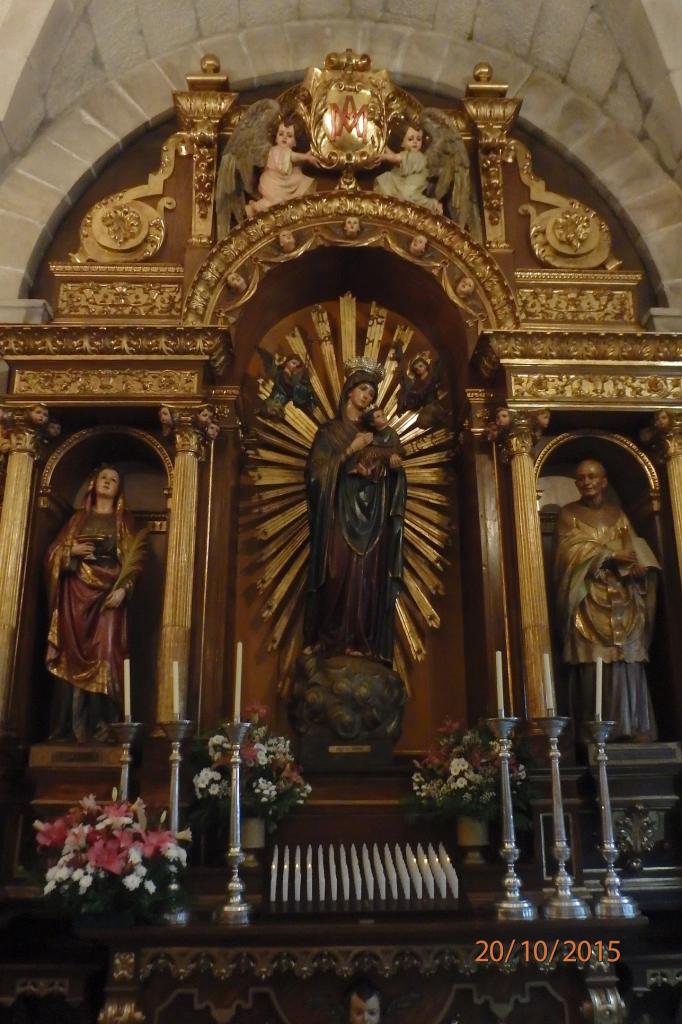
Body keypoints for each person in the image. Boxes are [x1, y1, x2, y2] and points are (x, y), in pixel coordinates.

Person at [303, 369, 406, 662]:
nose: (367, 396)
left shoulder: (377, 435)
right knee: (337, 573)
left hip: (372, 519)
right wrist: (350, 449)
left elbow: (388, 468)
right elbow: (315, 476)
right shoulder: (329, 432)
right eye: (363, 389)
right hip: (337, 516)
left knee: (367, 581)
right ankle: (331, 641)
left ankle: (363, 643)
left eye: (372, 394)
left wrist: (393, 469)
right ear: (349, 391)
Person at [554, 459, 660, 740]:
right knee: (593, 663)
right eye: (580, 478)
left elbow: (633, 548)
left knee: (628, 662)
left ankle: (635, 727)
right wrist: (609, 555)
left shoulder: (618, 514)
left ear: (604, 481)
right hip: (588, 600)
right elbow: (567, 553)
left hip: (624, 598)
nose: (586, 482)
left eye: (592, 477)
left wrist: (637, 567)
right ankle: (598, 732)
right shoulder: (568, 514)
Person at [45, 466, 147, 743]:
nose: (107, 482)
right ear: (93, 483)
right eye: (104, 477)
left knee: (108, 654)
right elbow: (53, 552)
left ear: (119, 489)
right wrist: (71, 552)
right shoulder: (77, 519)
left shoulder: (123, 521)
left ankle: (104, 727)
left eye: (113, 480)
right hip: (74, 595)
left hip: (108, 597)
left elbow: (136, 562)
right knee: (70, 654)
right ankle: (68, 729)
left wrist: (124, 590)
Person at [245, 120, 317, 218]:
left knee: (274, 201)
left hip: (278, 180)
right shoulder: (277, 150)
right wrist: (306, 157)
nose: (284, 137)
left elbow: (294, 162)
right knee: (276, 201)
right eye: (281, 134)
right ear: (275, 139)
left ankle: (256, 208)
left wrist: (306, 155)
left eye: (289, 136)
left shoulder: (282, 151)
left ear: (295, 143)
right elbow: (292, 156)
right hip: (274, 183)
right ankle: (255, 208)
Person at [374, 123, 442, 214]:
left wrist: (384, 156)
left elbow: (395, 158)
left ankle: (432, 205)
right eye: (410, 139)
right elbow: (394, 157)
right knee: (389, 181)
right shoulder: (406, 154)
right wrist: (382, 144)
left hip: (411, 187)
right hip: (405, 185)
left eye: (419, 139)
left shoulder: (417, 156)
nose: (415, 142)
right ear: (402, 143)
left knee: (407, 195)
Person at [347, 407, 404, 479]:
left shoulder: (390, 431)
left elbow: (385, 441)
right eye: (378, 416)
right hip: (383, 454)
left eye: (383, 414)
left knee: (371, 451)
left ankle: (364, 468)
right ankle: (364, 468)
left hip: (391, 451)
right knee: (367, 452)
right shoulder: (376, 432)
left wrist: (372, 440)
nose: (383, 417)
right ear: (372, 423)